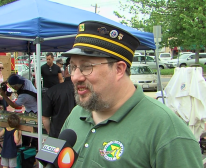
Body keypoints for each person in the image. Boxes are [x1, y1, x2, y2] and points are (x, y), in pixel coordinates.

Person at [61, 21, 203, 167]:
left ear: (119, 70)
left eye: (86, 67)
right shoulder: (77, 114)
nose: (75, 77)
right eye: (72, 67)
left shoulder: (167, 130)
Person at [0, 74, 37, 147]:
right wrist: (7, 81)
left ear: (16, 86)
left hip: (34, 111)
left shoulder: (23, 96)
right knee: (28, 129)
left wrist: (4, 95)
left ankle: (31, 147)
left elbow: (14, 105)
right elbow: (15, 76)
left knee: (32, 129)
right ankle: (27, 146)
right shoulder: (26, 81)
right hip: (30, 109)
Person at [42, 58, 76, 138]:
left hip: (57, 134)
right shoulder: (85, 90)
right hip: (79, 136)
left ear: (67, 70)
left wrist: (51, 133)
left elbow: (45, 118)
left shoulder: (52, 91)